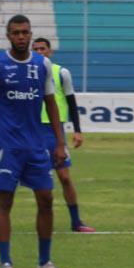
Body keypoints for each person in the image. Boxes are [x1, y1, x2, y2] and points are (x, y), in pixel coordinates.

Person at [0, 15, 69, 268]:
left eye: (25, 32)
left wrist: (60, 142)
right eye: (16, 32)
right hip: (7, 146)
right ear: (8, 35)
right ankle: (5, 262)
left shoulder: (42, 64)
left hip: (37, 145)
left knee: (47, 199)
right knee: (5, 200)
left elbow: (51, 104)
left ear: (31, 35)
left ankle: (44, 262)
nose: (21, 36)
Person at [32, 37, 95, 233]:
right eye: (36, 49)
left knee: (65, 177)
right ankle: (45, 220)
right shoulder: (27, 74)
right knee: (41, 180)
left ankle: (76, 221)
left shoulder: (61, 73)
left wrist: (77, 130)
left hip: (54, 131)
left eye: (43, 48)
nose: (40, 52)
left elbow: (71, 103)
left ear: (50, 52)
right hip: (33, 131)